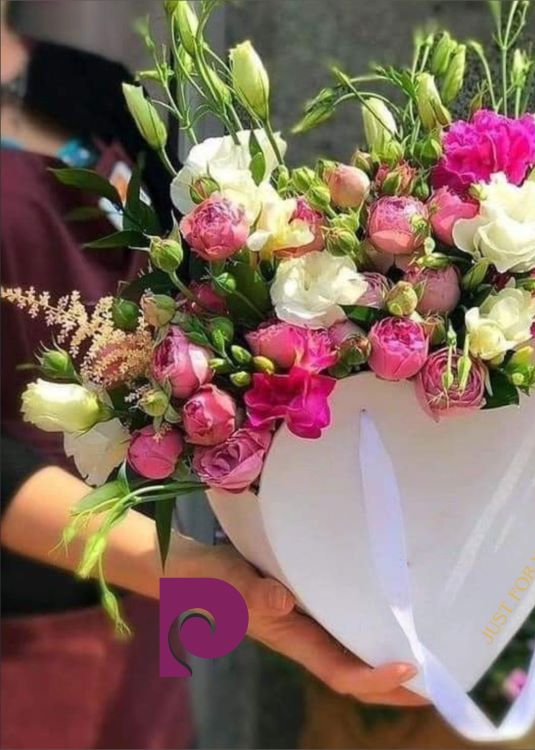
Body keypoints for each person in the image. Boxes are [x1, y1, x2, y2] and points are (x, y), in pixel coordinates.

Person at [0, 5, 424, 747]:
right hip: (36, 618)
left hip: (151, 581)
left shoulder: (87, 84)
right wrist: (199, 575)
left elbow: (212, 307)